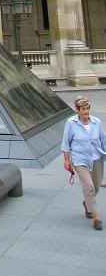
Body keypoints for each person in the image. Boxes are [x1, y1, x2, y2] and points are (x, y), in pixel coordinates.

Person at [61, 95, 106, 231]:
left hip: (97, 158)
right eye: (83, 109)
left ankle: (88, 203)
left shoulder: (96, 122)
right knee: (89, 187)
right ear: (77, 110)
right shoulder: (71, 123)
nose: (86, 111)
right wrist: (67, 160)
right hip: (80, 159)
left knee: (96, 186)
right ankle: (96, 217)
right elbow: (66, 143)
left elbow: (103, 140)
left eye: (87, 108)